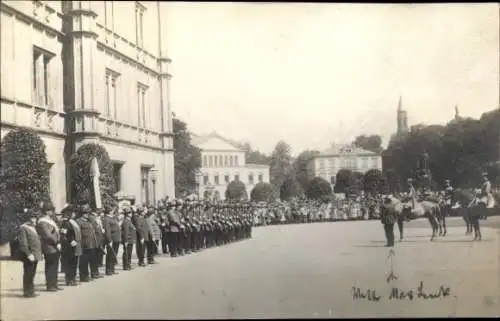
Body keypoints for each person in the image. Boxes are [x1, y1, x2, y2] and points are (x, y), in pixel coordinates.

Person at [36, 202, 63, 292]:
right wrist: (56, 242)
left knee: (55, 266)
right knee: (50, 266)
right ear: (47, 211)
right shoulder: (42, 222)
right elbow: (47, 235)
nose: (53, 212)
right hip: (49, 247)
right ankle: (50, 285)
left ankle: (54, 284)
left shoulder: (51, 221)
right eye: (51, 210)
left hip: (55, 246)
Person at [18, 208, 42, 298]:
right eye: (32, 217)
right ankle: (27, 292)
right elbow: (23, 243)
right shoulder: (23, 227)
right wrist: (28, 254)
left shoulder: (33, 227)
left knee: (32, 273)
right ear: (28, 218)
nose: (34, 219)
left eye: (35, 217)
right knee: (28, 273)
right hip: (29, 255)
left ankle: (31, 290)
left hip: (35, 254)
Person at [60, 204, 82, 286]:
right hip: (68, 245)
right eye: (72, 212)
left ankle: (72, 278)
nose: (74, 214)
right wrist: (71, 240)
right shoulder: (65, 222)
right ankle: (69, 279)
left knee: (74, 262)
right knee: (69, 262)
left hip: (74, 244)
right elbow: (65, 233)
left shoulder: (72, 221)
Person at [77, 203, 98, 282]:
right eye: (86, 213)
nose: (87, 214)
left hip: (91, 243)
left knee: (92, 259)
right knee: (83, 261)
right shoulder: (79, 221)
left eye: (88, 213)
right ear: (82, 213)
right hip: (84, 244)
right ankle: (84, 276)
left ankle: (93, 273)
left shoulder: (89, 221)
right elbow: (78, 234)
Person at [102, 205, 121, 275]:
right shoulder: (106, 219)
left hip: (116, 239)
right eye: (112, 210)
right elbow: (107, 231)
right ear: (109, 211)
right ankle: (108, 270)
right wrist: (109, 240)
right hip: (112, 239)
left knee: (114, 254)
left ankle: (112, 269)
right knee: (110, 255)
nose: (113, 211)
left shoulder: (112, 218)